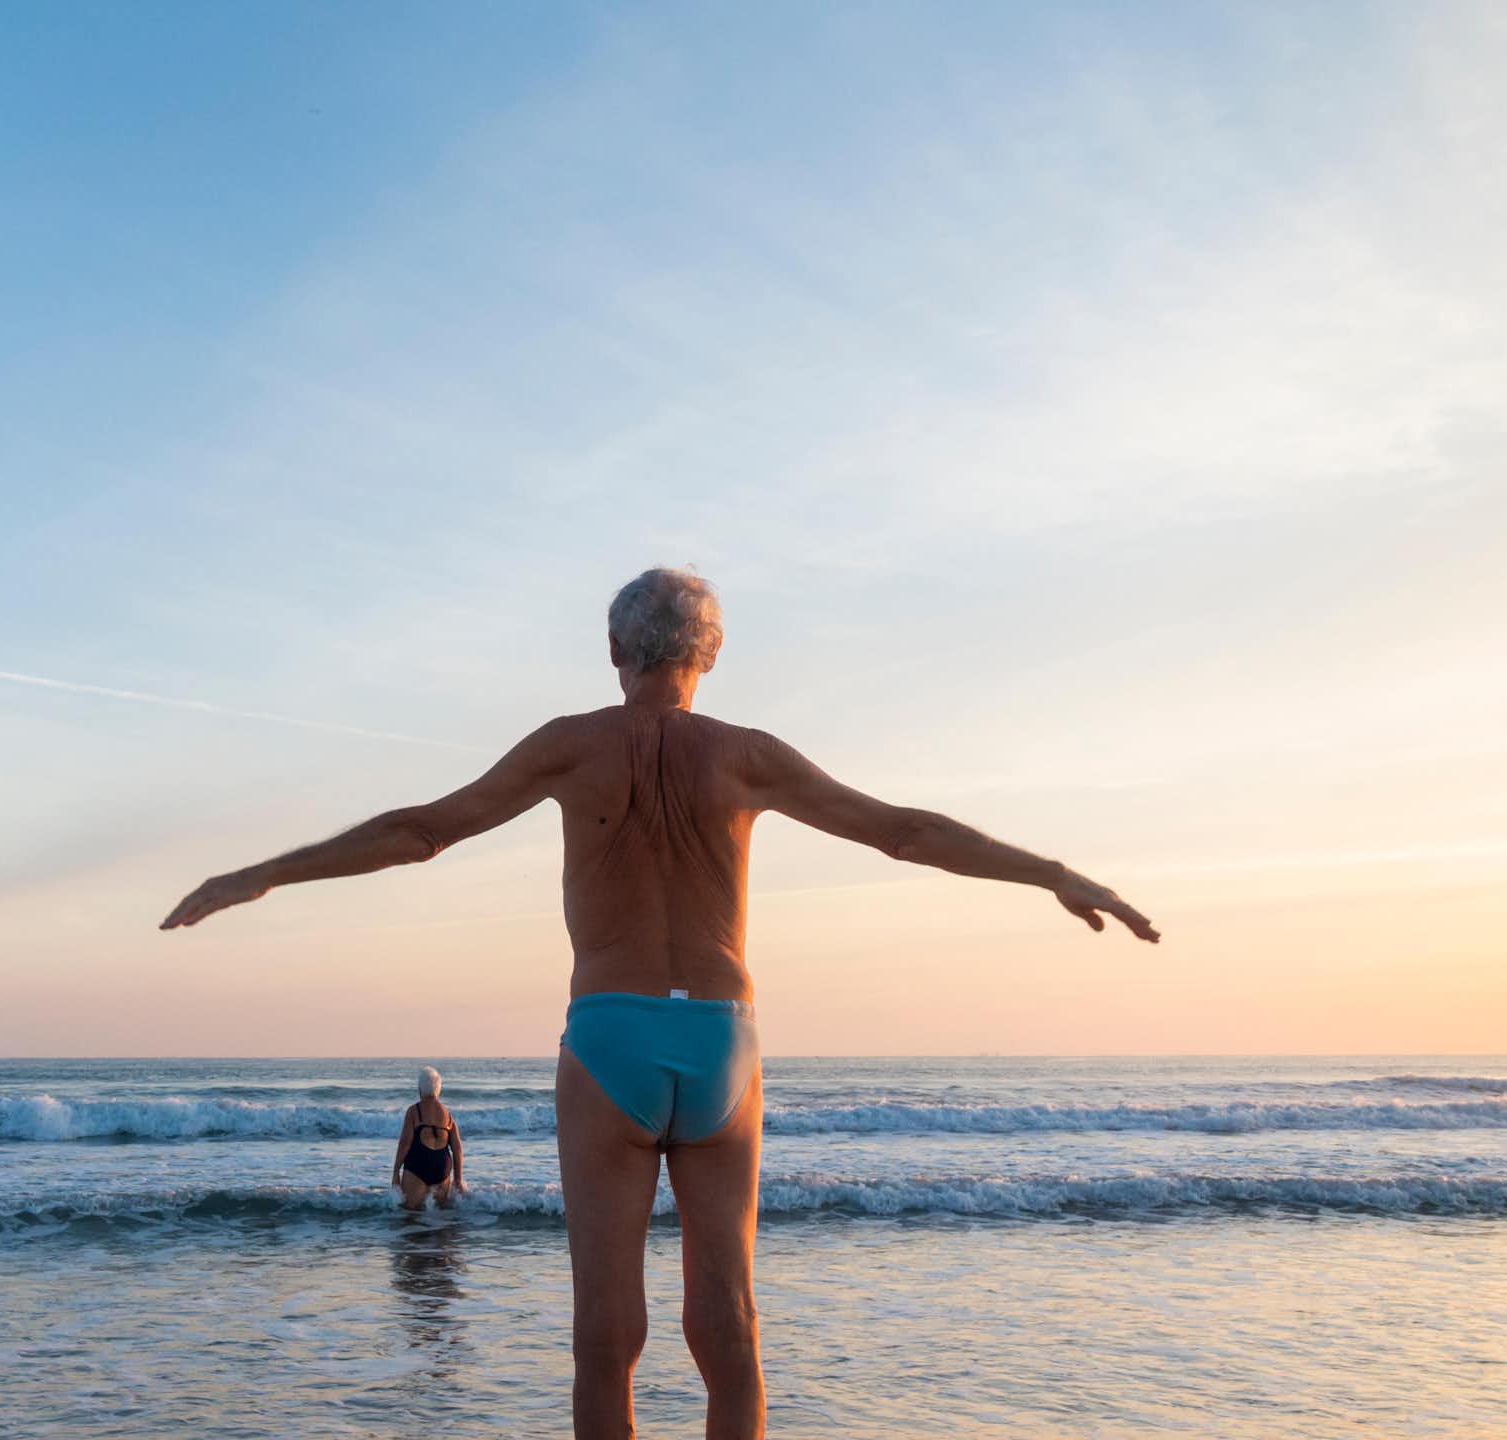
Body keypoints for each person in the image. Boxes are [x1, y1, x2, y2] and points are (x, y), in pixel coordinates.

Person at [162, 566, 1158, 1440]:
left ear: (613, 651)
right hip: (722, 1040)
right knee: (729, 1316)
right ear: (709, 656)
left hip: (611, 1034)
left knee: (605, 1327)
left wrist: (262, 875)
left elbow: (422, 831)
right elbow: (902, 831)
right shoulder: (748, 754)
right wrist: (1052, 873)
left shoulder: (569, 746)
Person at [393, 1064, 464, 1210]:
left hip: (418, 1165)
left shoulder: (413, 1111)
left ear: (420, 1089)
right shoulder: (448, 1115)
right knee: (440, 1216)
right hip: (442, 1168)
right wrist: (458, 1180)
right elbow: (457, 1149)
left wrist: (395, 1172)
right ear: (438, 1089)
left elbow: (405, 1143)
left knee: (410, 1213)